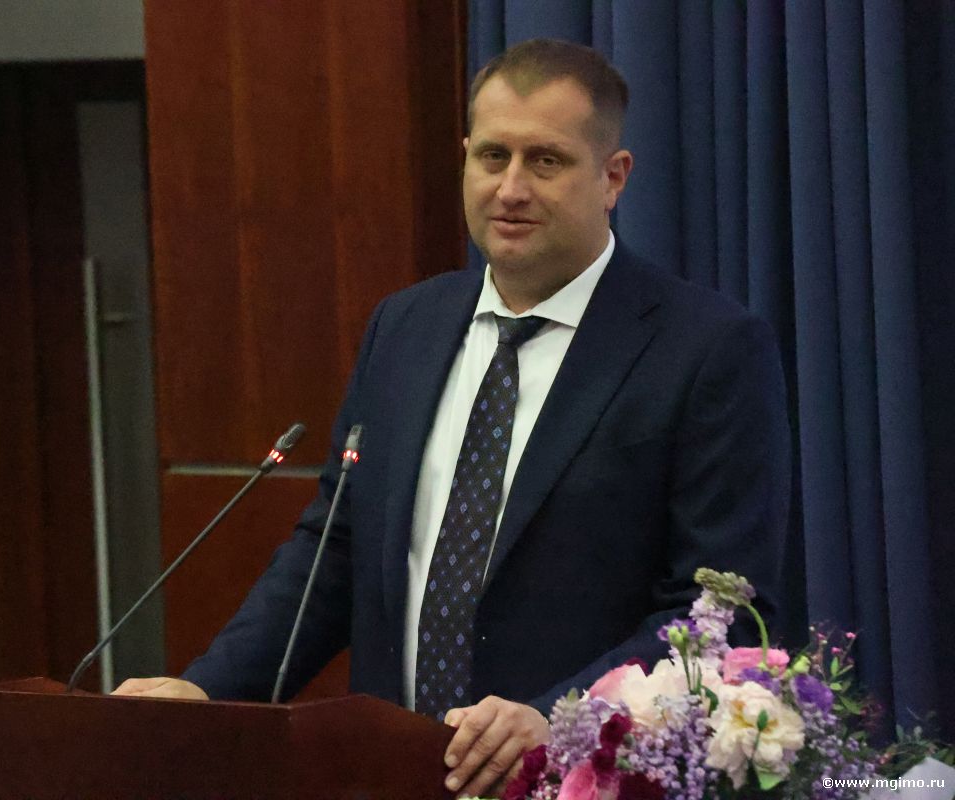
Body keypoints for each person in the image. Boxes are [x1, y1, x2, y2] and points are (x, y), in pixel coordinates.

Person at [115, 38, 790, 798]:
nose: (511, 188)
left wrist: (561, 718)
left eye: (546, 161)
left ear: (613, 177)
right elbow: (336, 552)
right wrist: (208, 691)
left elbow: (717, 614)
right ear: (466, 159)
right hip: (387, 773)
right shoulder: (404, 327)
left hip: (576, 779)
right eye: (493, 156)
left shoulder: (706, 350)